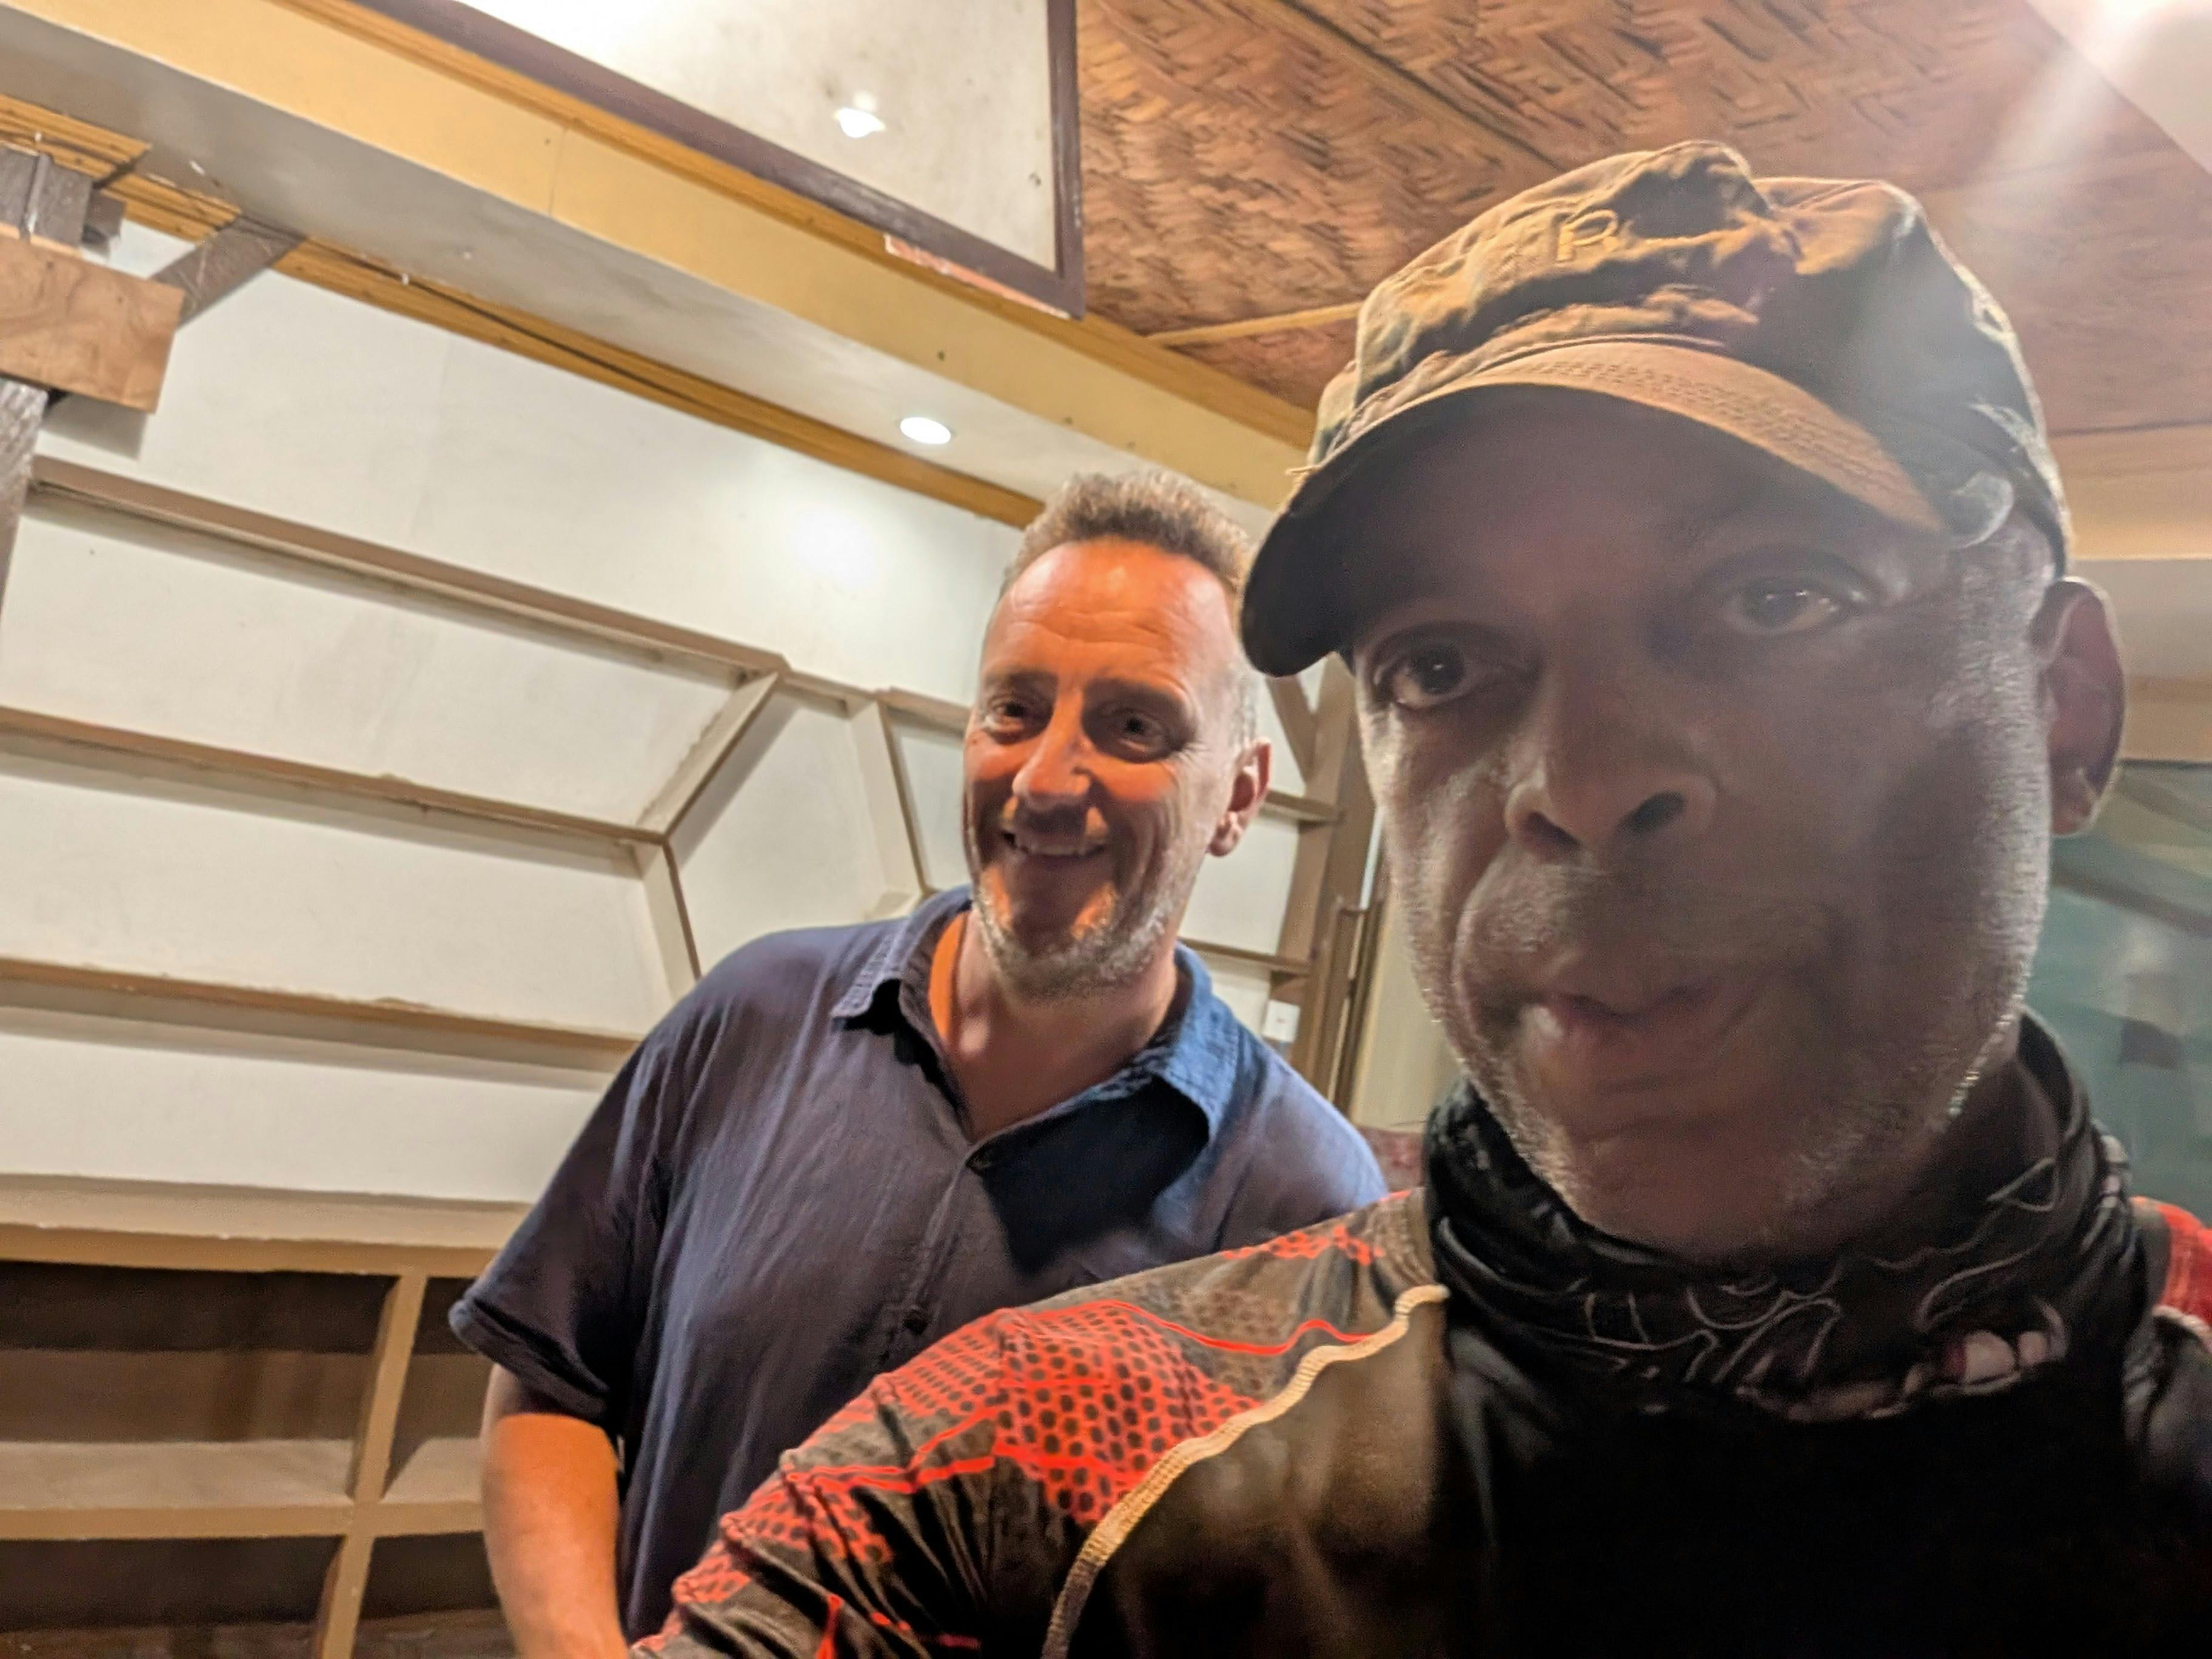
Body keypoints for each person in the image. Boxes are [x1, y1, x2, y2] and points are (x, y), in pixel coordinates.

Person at [640, 144, 2212, 1657]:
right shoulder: (1032, 1488)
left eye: (1774, 597)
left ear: (2062, 710)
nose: (1577, 780)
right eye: (1443, 664)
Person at [454, 469, 1386, 1647]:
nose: (1046, 780)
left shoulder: (1308, 1207)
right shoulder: (750, 1019)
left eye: (1133, 727)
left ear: (1237, 798)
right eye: (1015, 710)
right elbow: (552, 1384)